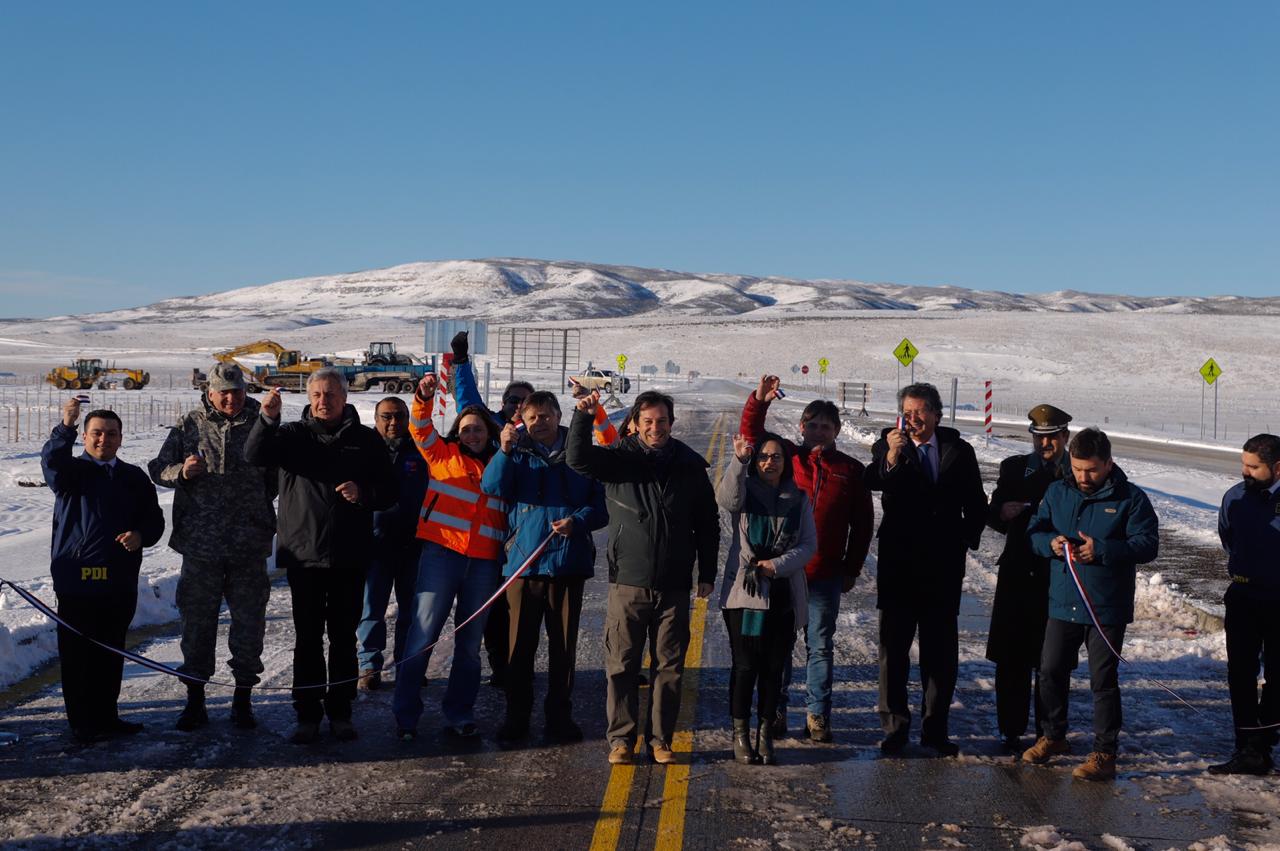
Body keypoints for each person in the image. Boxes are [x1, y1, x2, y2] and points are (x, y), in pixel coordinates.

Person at [567, 389, 719, 766]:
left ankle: (661, 740)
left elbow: (707, 524)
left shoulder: (689, 465)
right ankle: (621, 739)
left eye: (662, 421)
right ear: (634, 423)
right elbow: (577, 458)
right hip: (629, 581)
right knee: (622, 665)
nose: (656, 428)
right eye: (648, 421)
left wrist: (707, 572)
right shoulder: (619, 460)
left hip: (675, 583)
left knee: (669, 667)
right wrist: (583, 416)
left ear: (672, 422)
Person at [244, 369, 396, 744]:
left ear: (345, 398)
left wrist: (364, 494)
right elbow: (254, 454)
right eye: (315, 395)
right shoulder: (291, 436)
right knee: (308, 638)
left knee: (344, 637)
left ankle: (341, 712)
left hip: (349, 554)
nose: (322, 401)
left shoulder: (365, 440)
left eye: (329, 394)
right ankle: (307, 714)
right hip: (304, 553)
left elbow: (390, 491)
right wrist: (267, 418)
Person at [741, 375, 874, 743]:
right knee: (779, 645)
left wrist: (852, 567)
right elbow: (752, 436)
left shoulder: (849, 470)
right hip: (784, 572)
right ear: (801, 426)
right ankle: (777, 709)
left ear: (837, 430)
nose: (818, 432)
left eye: (826, 427)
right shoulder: (788, 458)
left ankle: (817, 715)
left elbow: (862, 524)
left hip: (825, 574)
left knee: (819, 646)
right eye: (812, 425)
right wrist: (760, 400)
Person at [1023, 427, 1158, 781]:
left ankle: (1104, 752)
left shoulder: (1131, 498)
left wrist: (1103, 549)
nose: (1083, 477)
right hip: (1063, 601)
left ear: (1109, 463)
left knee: (1103, 680)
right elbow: (1034, 531)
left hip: (1105, 607)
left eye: (1092, 470)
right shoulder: (1057, 491)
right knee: (1050, 670)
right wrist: (1048, 543)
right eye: (1078, 468)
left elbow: (1148, 544)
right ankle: (1053, 736)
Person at [148, 363, 277, 732]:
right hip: (201, 546)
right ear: (209, 392)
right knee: (197, 626)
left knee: (249, 625)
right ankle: (195, 700)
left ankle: (242, 700)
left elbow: (275, 479)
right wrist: (180, 473)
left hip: (248, 545)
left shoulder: (262, 422)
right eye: (223, 391)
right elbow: (157, 467)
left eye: (236, 391)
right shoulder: (189, 425)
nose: (230, 398)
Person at [865, 383, 987, 757]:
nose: (913, 419)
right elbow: (874, 479)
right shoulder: (889, 446)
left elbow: (976, 501)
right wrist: (891, 455)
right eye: (908, 411)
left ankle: (935, 729)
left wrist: (965, 538)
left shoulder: (959, 451)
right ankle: (895, 728)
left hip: (942, 569)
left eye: (920, 412)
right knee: (894, 651)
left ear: (935, 414)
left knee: (940, 654)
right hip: (900, 566)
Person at [480, 390, 607, 747]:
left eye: (546, 416)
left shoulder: (581, 453)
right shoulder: (516, 453)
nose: (540, 423)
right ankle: (516, 718)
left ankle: (559, 718)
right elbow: (491, 486)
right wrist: (503, 450)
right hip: (524, 564)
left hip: (568, 562)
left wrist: (577, 522)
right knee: (519, 647)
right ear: (523, 417)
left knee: (563, 650)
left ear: (557, 416)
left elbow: (600, 506)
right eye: (532, 417)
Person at [42, 398, 165, 744]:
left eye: (111, 434)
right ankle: (82, 722)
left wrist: (141, 535)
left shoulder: (133, 478)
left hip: (118, 581)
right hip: (77, 581)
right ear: (85, 437)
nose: (103, 439)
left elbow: (154, 521)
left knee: (111, 652)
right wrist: (64, 426)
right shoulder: (70, 474)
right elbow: (51, 461)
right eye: (96, 433)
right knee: (78, 655)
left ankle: (107, 716)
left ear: (120, 438)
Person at [392, 373, 506, 741]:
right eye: (467, 429)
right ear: (458, 431)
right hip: (442, 555)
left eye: (479, 430)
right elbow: (420, 427)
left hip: (484, 563)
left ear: (489, 432)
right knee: (421, 634)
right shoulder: (442, 455)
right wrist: (423, 396)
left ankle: (459, 713)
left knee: (470, 645)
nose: (473, 435)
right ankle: (406, 715)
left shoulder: (502, 465)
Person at [717, 432, 816, 765]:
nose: (769, 463)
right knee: (746, 667)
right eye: (762, 457)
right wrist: (739, 460)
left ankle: (764, 732)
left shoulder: (798, 499)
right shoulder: (745, 495)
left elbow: (807, 545)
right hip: (745, 595)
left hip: (782, 593)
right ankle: (740, 732)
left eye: (776, 457)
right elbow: (727, 499)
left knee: (774, 669)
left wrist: (776, 565)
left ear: (786, 463)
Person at [985, 404, 1072, 752]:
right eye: (1039, 438)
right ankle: (1010, 728)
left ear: (1065, 437)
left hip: (1057, 574)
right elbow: (993, 512)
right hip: (1019, 572)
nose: (1044, 444)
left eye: (1051, 438)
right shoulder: (1014, 469)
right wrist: (1001, 513)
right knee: (1011, 656)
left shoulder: (1074, 472)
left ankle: (1049, 730)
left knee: (1051, 659)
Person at [450, 330, 531, 690]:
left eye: (523, 401)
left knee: (521, 610)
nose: (516, 405)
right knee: (492, 609)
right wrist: (461, 360)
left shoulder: (538, 439)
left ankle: (519, 663)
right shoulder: (493, 425)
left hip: (524, 538)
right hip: (488, 536)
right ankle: (500, 665)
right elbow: (467, 399)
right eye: (512, 399)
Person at [1207, 433, 1280, 776]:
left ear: (1277, 468)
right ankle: (1248, 747)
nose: (1245, 472)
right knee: (1240, 674)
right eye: (1243, 465)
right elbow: (1228, 539)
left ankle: (1265, 741)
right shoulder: (1235, 497)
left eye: (1254, 467)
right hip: (1243, 595)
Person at [356, 396, 430, 690]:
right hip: (375, 544)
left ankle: (406, 664)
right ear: (376, 419)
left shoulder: (421, 449)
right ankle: (369, 666)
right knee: (371, 608)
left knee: (411, 610)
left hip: (413, 542)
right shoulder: (364, 449)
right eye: (386, 416)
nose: (393, 422)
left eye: (399, 416)